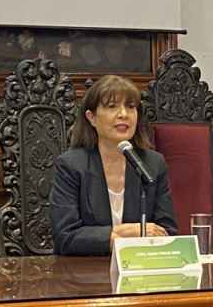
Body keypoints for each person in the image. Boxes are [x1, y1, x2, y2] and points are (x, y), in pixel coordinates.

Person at [50, 75, 178, 255]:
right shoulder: (71, 165)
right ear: (92, 118)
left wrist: (114, 235)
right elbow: (65, 236)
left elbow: (166, 231)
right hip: (87, 269)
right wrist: (129, 231)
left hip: (140, 265)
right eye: (112, 106)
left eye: (131, 107)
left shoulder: (153, 164)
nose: (123, 114)